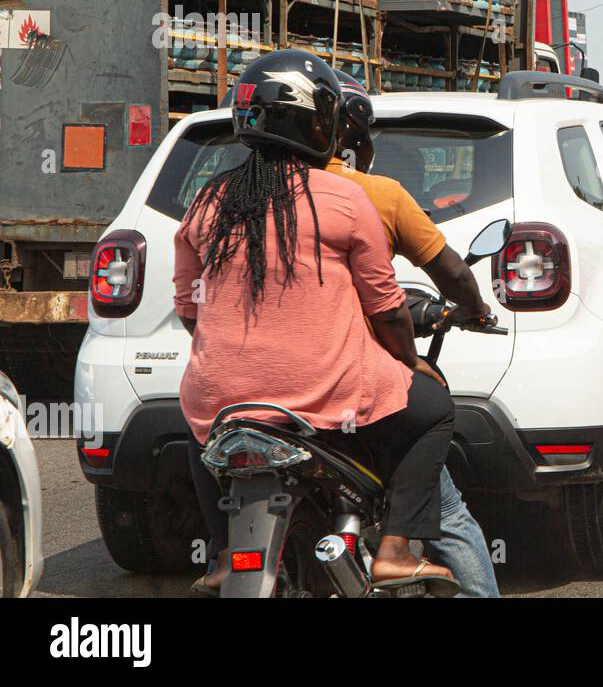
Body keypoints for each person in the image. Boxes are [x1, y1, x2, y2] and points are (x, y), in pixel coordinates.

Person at [177, 50, 456, 595]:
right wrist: (410, 361)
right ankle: (396, 550)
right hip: (328, 392)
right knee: (435, 411)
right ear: (318, 123)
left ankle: (220, 556)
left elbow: (191, 309)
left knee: (199, 427)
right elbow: (387, 308)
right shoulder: (345, 198)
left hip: (223, 397)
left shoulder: (206, 201)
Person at [326, 68, 500, 597]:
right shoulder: (370, 197)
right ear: (354, 137)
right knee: (446, 508)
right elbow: (443, 275)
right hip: (356, 386)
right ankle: (399, 548)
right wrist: (473, 311)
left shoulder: (231, 200)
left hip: (251, 392)